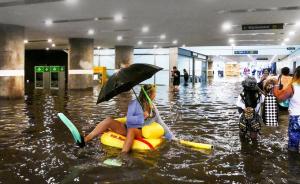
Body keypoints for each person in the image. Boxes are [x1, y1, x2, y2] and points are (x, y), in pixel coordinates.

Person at [81, 84, 174, 153]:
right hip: (128, 127)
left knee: (132, 130)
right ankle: (87, 139)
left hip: (139, 131)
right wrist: (142, 116)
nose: (155, 95)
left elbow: (160, 122)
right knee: (108, 120)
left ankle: (122, 156)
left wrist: (171, 137)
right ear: (150, 94)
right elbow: (129, 120)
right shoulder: (134, 103)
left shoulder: (153, 108)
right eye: (155, 93)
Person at [274, 66, 300, 152]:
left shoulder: (293, 87)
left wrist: (276, 86)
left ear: (296, 74)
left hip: (296, 117)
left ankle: (293, 163)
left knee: (293, 142)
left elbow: (279, 98)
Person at [236, 76, 264, 142]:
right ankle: (254, 149)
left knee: (242, 134)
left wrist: (244, 109)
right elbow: (263, 101)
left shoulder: (242, 94)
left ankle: (243, 148)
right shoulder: (260, 95)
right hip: (255, 118)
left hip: (243, 118)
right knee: (254, 136)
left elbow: (239, 105)